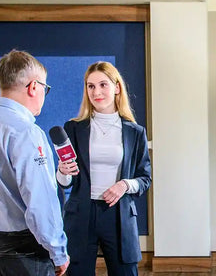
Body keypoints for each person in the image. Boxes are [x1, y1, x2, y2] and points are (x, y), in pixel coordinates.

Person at [0, 50, 69, 276]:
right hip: (26, 254)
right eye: (45, 88)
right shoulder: (27, 132)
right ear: (34, 87)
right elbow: (40, 200)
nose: (44, 94)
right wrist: (58, 251)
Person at [56, 61, 151, 276]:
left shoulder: (135, 132)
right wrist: (63, 171)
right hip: (81, 214)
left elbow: (145, 178)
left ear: (117, 87)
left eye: (103, 85)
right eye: (91, 86)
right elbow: (65, 183)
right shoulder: (73, 128)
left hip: (118, 214)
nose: (96, 92)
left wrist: (125, 185)